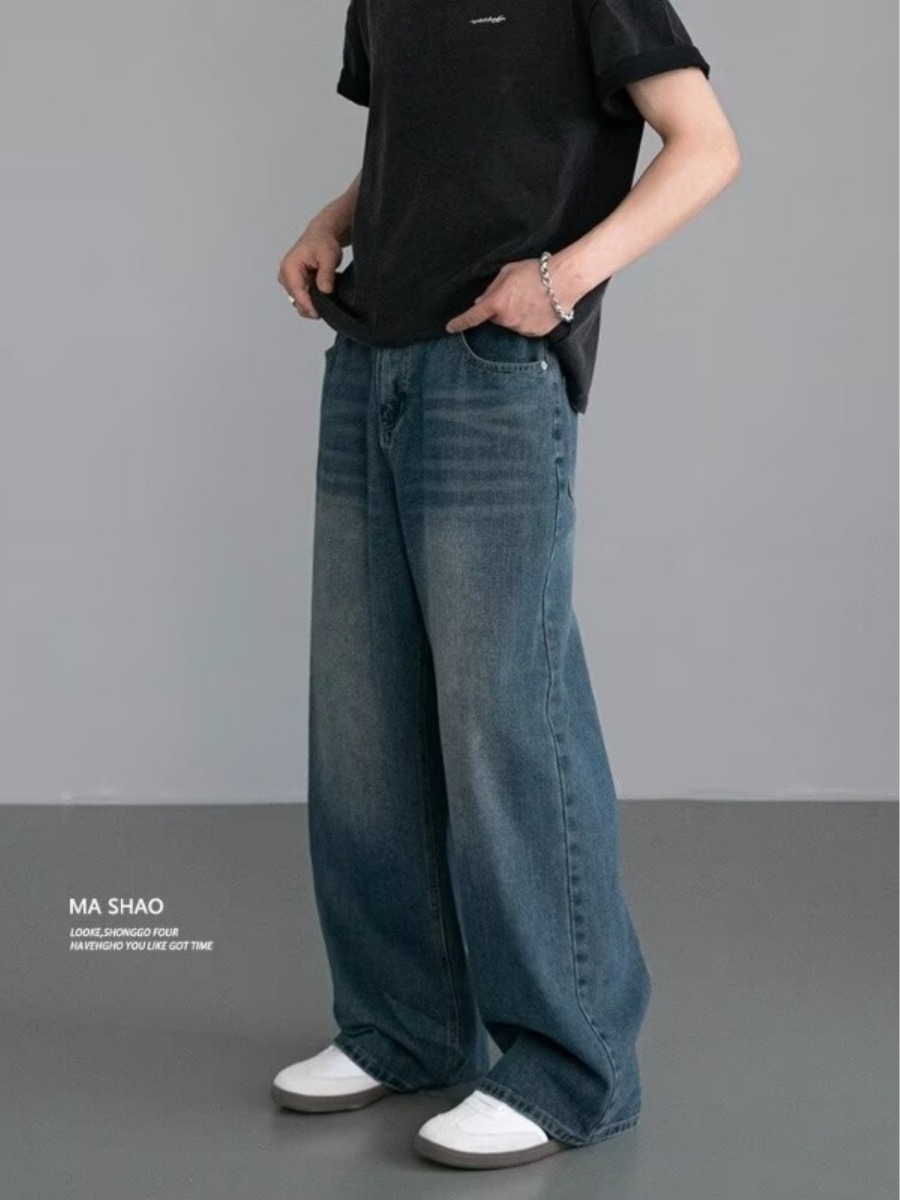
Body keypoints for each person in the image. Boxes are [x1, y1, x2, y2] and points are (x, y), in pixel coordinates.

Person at [272, 0, 740, 1172]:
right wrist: (333, 220)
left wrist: (561, 279)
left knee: (505, 717)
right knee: (364, 721)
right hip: (369, 355)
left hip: (493, 366)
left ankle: (570, 1067)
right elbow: (434, 145)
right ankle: (402, 1028)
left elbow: (707, 145)